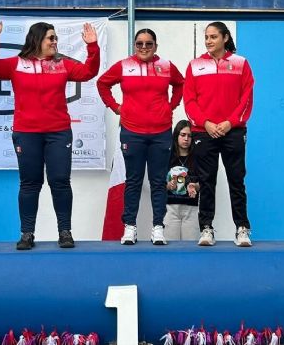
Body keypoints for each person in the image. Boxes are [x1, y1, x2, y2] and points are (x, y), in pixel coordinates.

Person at [0, 12, 99, 250]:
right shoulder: (16, 64)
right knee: (30, 183)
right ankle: (27, 233)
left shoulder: (62, 64)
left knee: (60, 182)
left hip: (58, 132)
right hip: (27, 133)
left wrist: (92, 46)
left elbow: (89, 72)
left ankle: (65, 231)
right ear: (37, 40)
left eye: (56, 38)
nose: (55, 42)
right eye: (50, 38)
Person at [97, 29, 184, 246]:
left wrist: (170, 107)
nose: (144, 47)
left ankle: (158, 228)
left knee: (158, 182)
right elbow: (102, 83)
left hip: (160, 133)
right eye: (139, 44)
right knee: (133, 181)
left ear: (156, 45)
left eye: (148, 43)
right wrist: (116, 107)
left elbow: (181, 84)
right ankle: (130, 227)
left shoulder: (166, 66)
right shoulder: (124, 66)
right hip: (132, 132)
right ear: (134, 46)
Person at [183, 21, 254, 247]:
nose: (208, 41)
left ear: (225, 38)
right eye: (206, 37)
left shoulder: (240, 63)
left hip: (233, 131)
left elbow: (246, 97)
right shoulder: (195, 65)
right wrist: (205, 123)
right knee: (206, 181)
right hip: (204, 132)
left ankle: (242, 229)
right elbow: (189, 100)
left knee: (236, 181)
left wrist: (230, 122)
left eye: (213, 36)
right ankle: (206, 228)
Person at [164, 120, 200, 241]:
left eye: (190, 136)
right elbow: (157, 182)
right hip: (170, 207)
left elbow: (205, 182)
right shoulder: (167, 156)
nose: (186, 139)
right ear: (176, 135)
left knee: (191, 247)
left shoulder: (198, 157)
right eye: (183, 135)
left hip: (191, 208)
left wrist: (195, 186)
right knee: (170, 246)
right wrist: (168, 185)